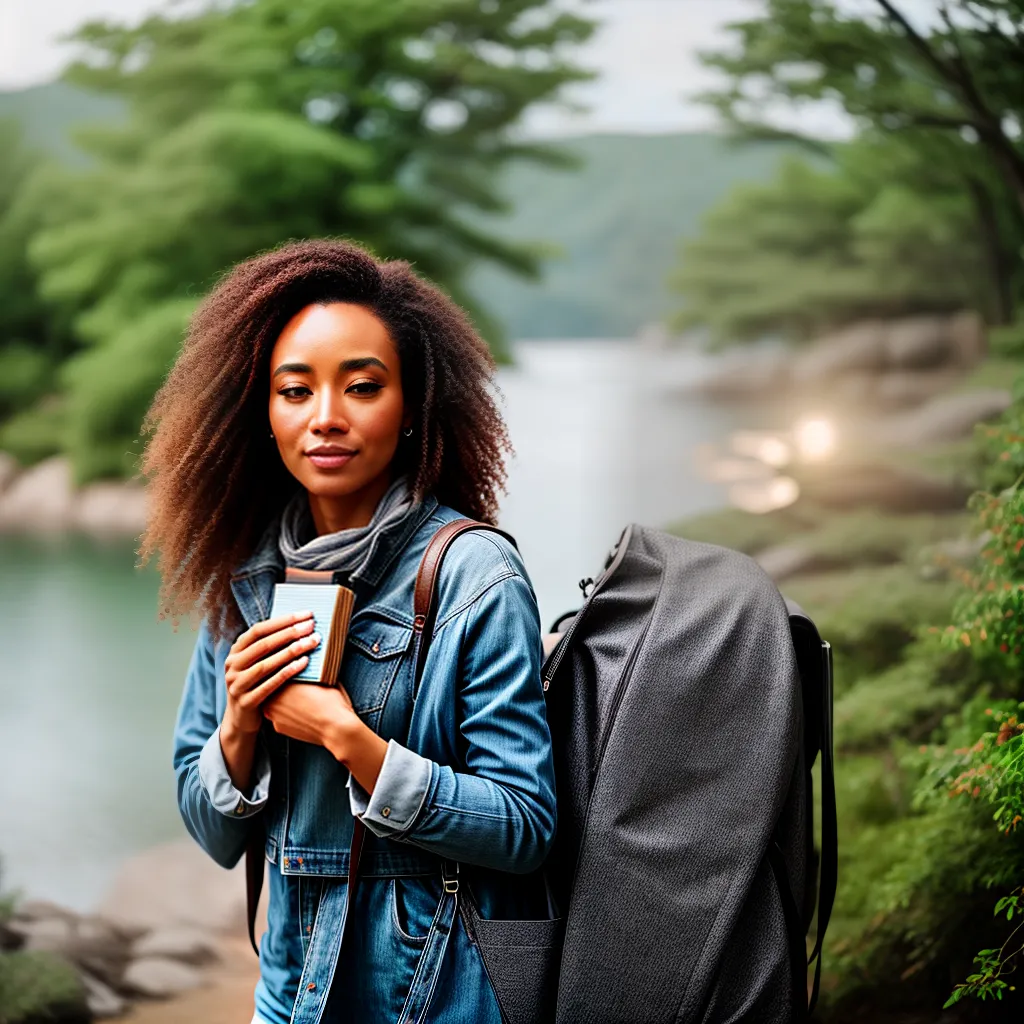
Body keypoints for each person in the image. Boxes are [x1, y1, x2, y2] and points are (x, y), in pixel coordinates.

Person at [138, 239, 557, 1024]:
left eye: (362, 387)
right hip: (289, 990)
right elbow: (212, 833)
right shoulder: (243, 576)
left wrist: (352, 740)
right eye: (295, 391)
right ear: (263, 413)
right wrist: (237, 727)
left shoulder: (475, 577)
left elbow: (524, 825)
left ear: (412, 409)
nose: (326, 418)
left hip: (440, 992)